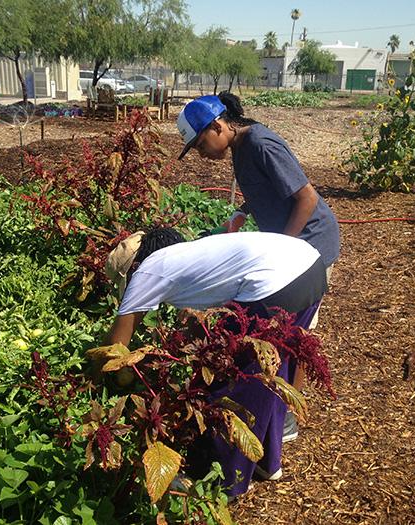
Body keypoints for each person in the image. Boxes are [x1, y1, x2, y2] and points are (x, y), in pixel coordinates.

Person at [104, 227, 327, 497]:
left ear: (134, 268)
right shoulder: (189, 258)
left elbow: (115, 347)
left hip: (275, 286)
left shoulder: (147, 271)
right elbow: (200, 326)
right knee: (272, 375)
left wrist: (104, 382)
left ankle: (219, 484)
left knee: (233, 385)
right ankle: (267, 463)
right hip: (309, 268)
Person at [177, 92, 341, 439]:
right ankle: (276, 404)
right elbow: (261, 189)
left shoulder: (261, 143)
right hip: (291, 246)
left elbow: (306, 198)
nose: (202, 154)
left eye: (200, 144)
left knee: (297, 332)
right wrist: (240, 214)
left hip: (312, 245)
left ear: (217, 126)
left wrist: (284, 245)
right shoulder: (240, 147)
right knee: (279, 328)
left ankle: (288, 417)